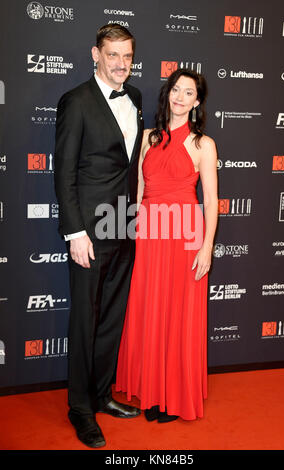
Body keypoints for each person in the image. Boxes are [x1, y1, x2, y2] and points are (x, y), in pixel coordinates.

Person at [54, 24, 144, 448]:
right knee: (85, 320)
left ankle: (102, 395)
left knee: (111, 317)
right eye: (112, 55)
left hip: (124, 227)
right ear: (96, 54)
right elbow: (64, 173)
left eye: (127, 55)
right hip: (89, 231)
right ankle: (80, 408)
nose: (121, 64)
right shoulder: (76, 102)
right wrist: (75, 232)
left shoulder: (138, 98)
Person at [116, 68, 218, 422]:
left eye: (188, 92)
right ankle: (151, 390)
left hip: (186, 237)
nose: (180, 97)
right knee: (150, 309)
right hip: (149, 234)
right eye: (176, 90)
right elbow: (140, 190)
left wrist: (206, 248)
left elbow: (212, 201)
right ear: (168, 94)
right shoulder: (148, 137)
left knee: (179, 315)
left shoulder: (203, 144)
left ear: (197, 102)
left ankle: (175, 394)